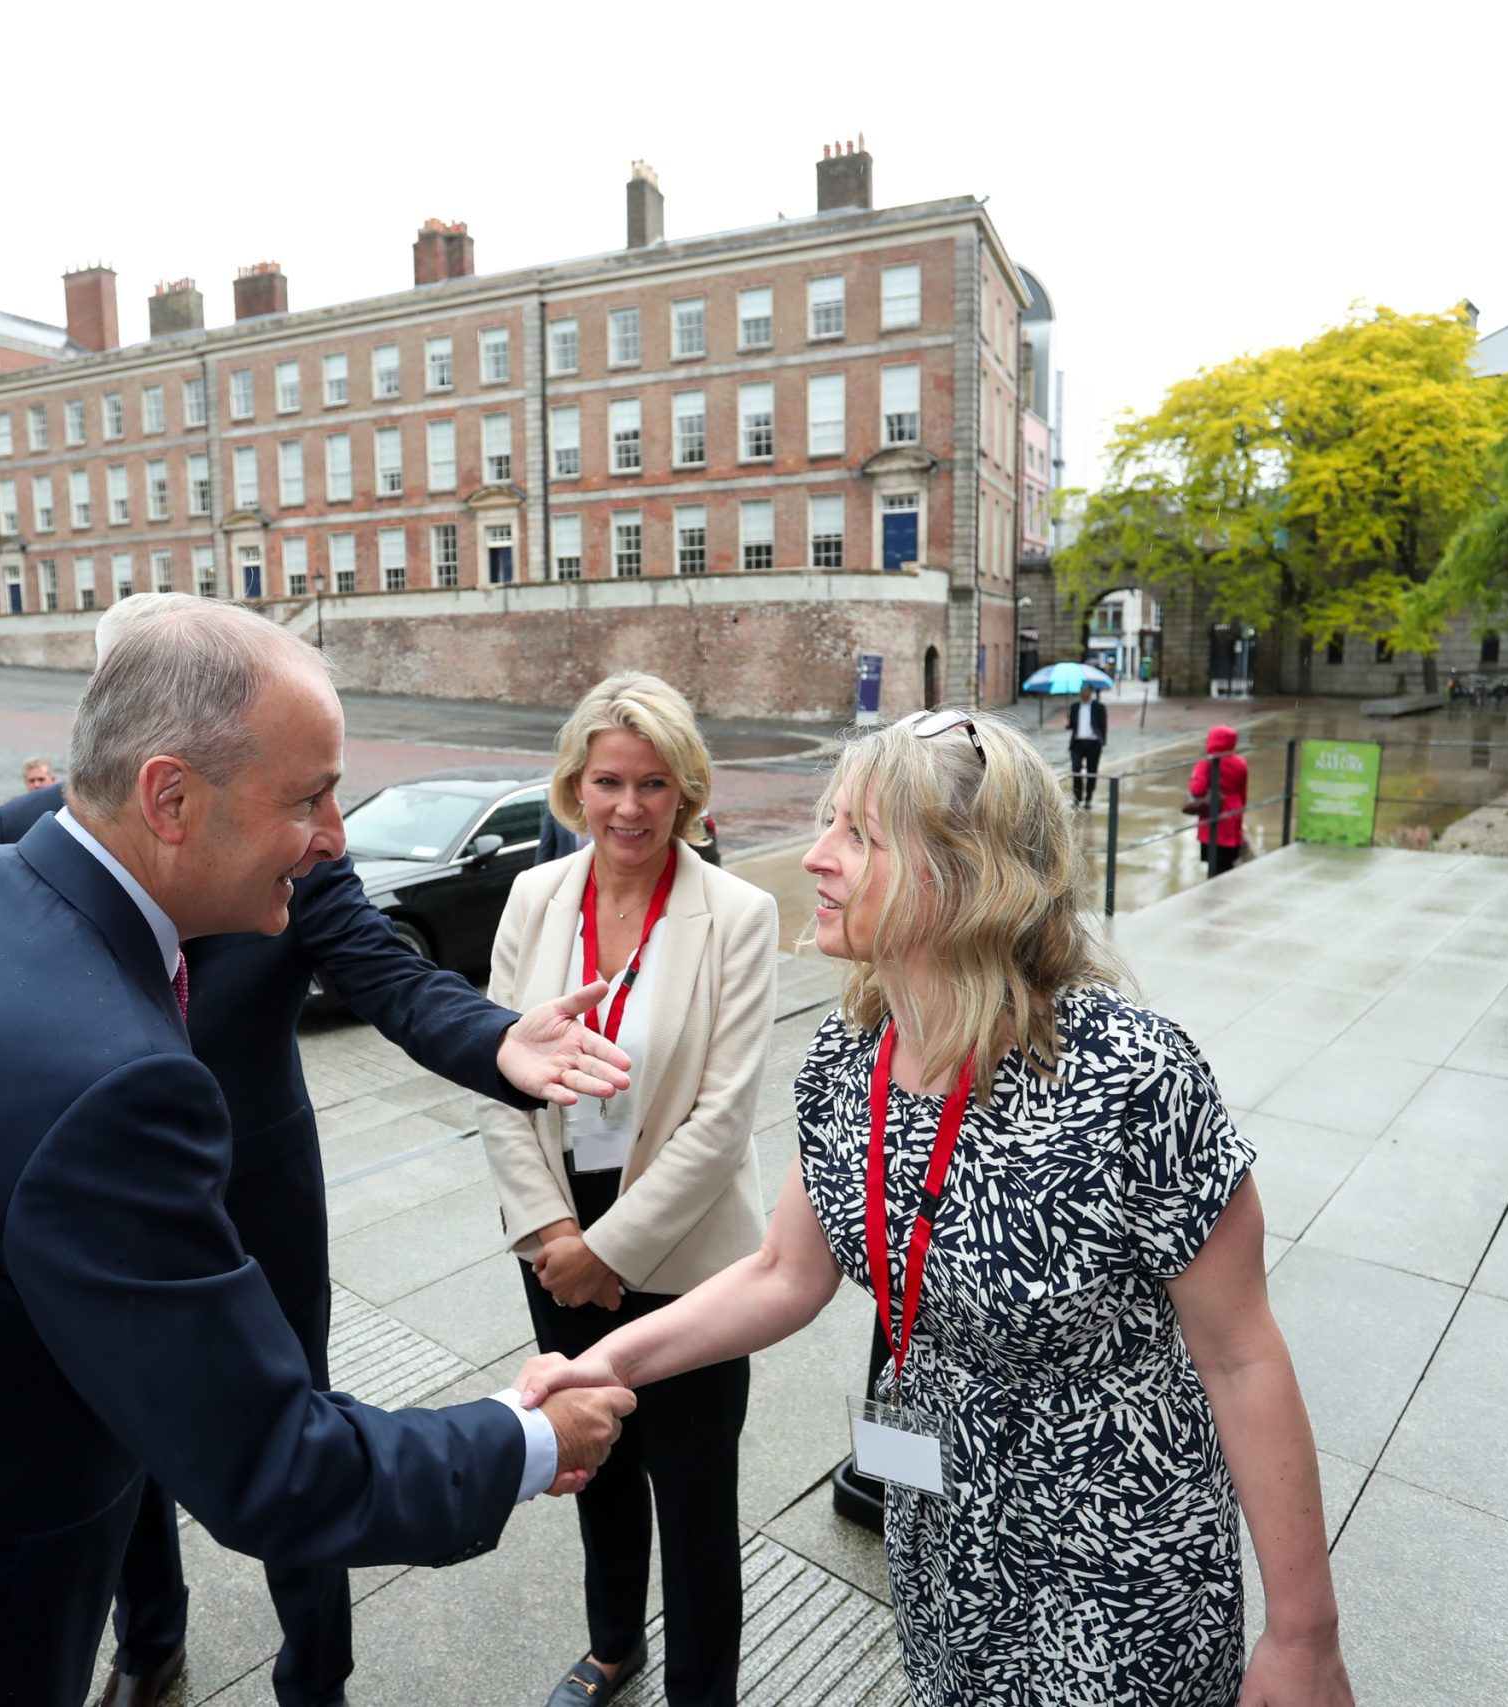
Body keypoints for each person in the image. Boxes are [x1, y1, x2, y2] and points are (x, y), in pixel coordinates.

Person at [0, 601, 640, 1707]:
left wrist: (501, 1036)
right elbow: (274, 1466)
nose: (334, 834)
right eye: (308, 798)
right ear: (169, 796)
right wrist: (523, 1437)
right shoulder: (110, 1086)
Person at [521, 708, 1352, 1706]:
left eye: (858, 835)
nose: (817, 859)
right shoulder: (846, 1057)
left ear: (966, 873)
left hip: (1115, 1546)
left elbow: (1240, 1353)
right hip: (934, 1513)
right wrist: (605, 1360)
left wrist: (1302, 1637)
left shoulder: (1132, 1075)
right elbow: (786, 1272)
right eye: (827, 823)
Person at [0, 595, 635, 1707]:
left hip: (256, 1190)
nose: (332, 818)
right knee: (113, 1428)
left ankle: (315, 1675)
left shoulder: (298, 847)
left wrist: (499, 1041)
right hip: (100, 1191)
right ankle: (149, 1646)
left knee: (299, 1426)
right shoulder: (24, 832)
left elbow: (388, 977)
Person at [479, 674, 779, 1707]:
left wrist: (610, 1252)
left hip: (687, 1255)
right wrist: (555, 1232)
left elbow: (725, 1117)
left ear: (686, 791)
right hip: (558, 1239)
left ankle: (704, 1690)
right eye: (608, 781)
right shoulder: (532, 898)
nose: (630, 808)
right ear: (573, 786)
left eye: (655, 784)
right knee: (588, 1463)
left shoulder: (737, 914)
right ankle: (614, 1646)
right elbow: (499, 1078)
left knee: (695, 1496)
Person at [1190, 724, 1249, 878]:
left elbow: (1198, 789)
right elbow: (1243, 793)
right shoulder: (1240, 763)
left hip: (1213, 820)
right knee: (1226, 865)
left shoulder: (1207, 763)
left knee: (1213, 867)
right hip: (1233, 817)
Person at [1066, 681, 1108, 810]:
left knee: (1092, 771)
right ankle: (1077, 798)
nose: (1084, 694)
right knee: (1076, 769)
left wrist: (1102, 742)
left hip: (1093, 743)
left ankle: (1089, 797)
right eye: (1082, 692)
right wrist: (1069, 721)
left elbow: (1103, 726)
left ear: (1091, 693)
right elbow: (1072, 726)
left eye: (1086, 692)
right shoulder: (1074, 707)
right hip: (1077, 743)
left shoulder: (1098, 707)